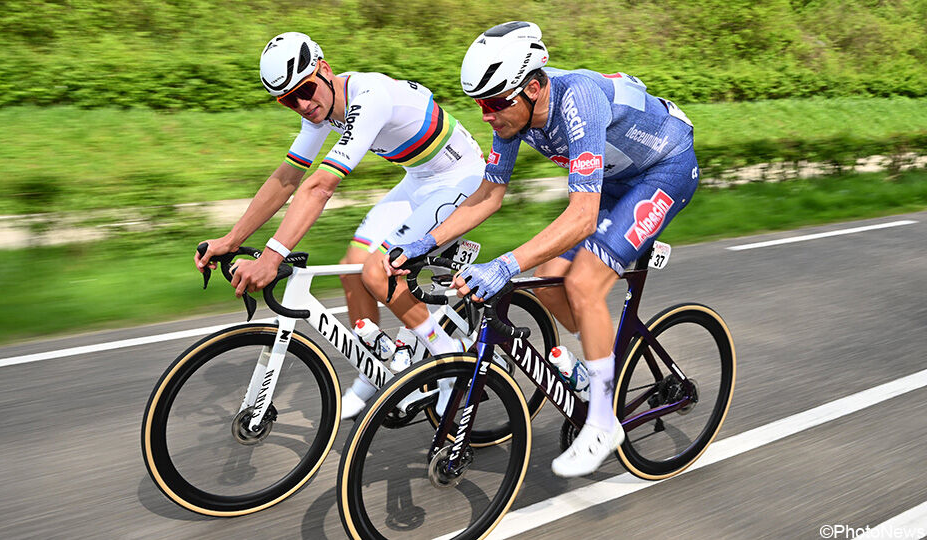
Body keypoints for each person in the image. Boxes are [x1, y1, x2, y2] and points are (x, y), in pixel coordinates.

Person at [382, 21, 700, 477]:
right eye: (480, 105)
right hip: (615, 182)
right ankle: (601, 367)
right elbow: (490, 195)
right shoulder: (512, 116)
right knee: (550, 282)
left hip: (664, 171)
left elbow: (582, 217)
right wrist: (424, 241)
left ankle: (605, 420)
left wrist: (505, 264)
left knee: (585, 283)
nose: (487, 115)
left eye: (494, 103)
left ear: (533, 87)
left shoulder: (579, 100)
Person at [194, 32, 486, 418]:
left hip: (462, 180)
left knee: (378, 272)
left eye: (306, 90)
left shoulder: (369, 97)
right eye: (287, 100)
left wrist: (270, 256)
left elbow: (320, 187)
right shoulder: (320, 108)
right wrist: (231, 239)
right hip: (418, 179)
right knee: (353, 267)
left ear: (325, 70)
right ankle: (376, 367)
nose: (302, 104)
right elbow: (288, 178)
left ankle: (451, 364)